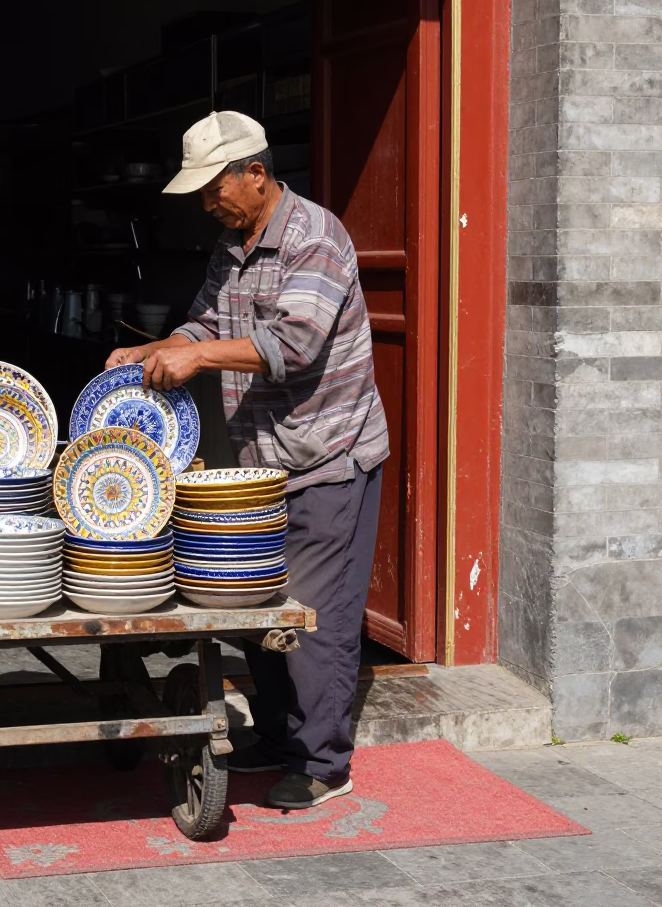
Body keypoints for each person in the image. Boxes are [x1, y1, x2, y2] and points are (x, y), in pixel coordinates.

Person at [106, 110, 389, 810]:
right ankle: (276, 736)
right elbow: (206, 321)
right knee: (260, 604)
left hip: (329, 455)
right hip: (261, 460)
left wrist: (195, 356)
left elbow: (293, 343)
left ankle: (324, 762)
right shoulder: (233, 246)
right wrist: (154, 348)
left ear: (255, 174)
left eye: (214, 189)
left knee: (315, 619)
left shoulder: (316, 237)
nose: (208, 204)